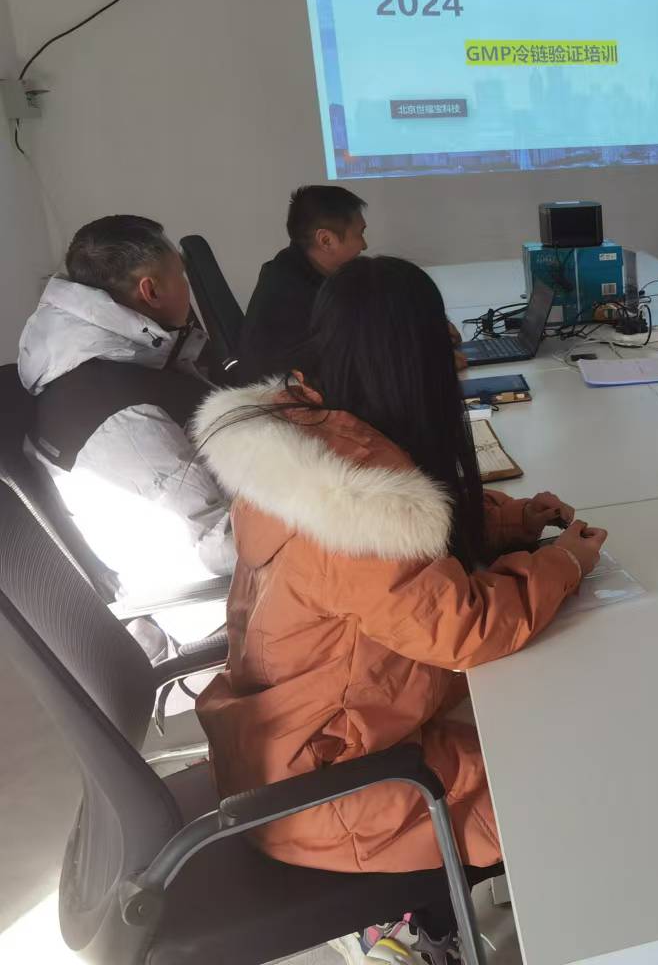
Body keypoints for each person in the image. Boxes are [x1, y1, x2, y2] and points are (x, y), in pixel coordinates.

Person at [192, 254, 606, 885]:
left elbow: (407, 545)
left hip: (295, 742)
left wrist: (510, 522)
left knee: (553, 712)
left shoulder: (305, 437)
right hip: (336, 791)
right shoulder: (357, 510)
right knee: (581, 779)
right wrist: (563, 563)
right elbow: (463, 630)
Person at [17, 215, 232, 650]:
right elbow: (211, 553)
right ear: (150, 291)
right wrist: (308, 505)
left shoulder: (120, 361)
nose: (188, 288)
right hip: (217, 605)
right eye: (181, 275)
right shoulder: (121, 417)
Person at [237, 185, 369, 381]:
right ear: (326, 240)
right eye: (360, 234)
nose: (364, 245)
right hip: (284, 395)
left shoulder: (287, 266)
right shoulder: (305, 298)